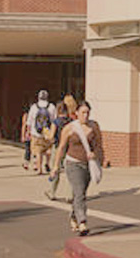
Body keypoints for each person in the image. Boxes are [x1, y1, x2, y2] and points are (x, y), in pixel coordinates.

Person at [52, 101, 104, 236]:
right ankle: (82, 222)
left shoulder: (94, 126)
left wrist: (96, 155)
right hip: (73, 164)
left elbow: (99, 144)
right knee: (79, 191)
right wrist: (55, 166)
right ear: (76, 113)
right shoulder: (69, 128)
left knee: (79, 193)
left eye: (88, 112)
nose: (85, 115)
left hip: (88, 164)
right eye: (83, 112)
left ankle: (74, 216)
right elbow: (61, 147)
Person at [45, 101, 73, 201]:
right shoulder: (71, 121)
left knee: (55, 169)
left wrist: (46, 134)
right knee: (70, 171)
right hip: (69, 147)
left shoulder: (56, 122)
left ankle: (52, 192)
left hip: (57, 147)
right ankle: (70, 195)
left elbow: (51, 137)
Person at [25, 90, 57, 175]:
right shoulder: (51, 107)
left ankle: (39, 169)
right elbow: (54, 120)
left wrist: (28, 132)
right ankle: (47, 163)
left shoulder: (34, 107)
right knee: (48, 149)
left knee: (38, 151)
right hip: (47, 132)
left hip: (36, 132)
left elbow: (29, 121)